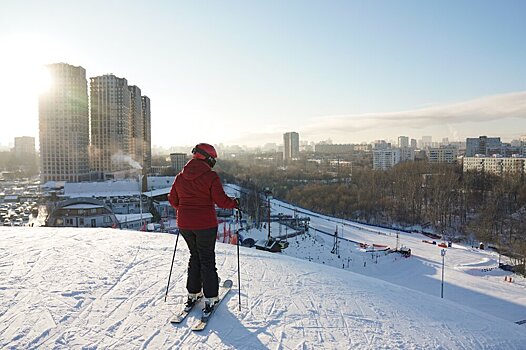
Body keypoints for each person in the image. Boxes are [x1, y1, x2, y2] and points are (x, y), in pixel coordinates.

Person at [168, 143, 238, 316]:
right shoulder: (210, 176)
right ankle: (211, 296)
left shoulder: (180, 176)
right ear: (209, 158)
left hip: (185, 224)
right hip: (205, 225)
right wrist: (235, 203)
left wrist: (184, 209)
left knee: (195, 256)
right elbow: (221, 201)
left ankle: (193, 293)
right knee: (207, 259)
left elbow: (172, 199)